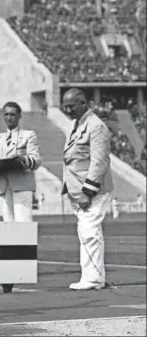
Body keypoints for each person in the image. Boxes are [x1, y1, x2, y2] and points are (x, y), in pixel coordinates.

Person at [0, 101, 42, 293]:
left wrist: (22, 160)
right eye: (6, 114)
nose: (9, 118)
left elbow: (36, 160)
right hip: (2, 185)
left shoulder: (28, 135)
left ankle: (14, 271)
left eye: (12, 114)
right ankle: (9, 274)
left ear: (19, 117)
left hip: (21, 183)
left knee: (23, 225)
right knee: (8, 228)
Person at [62, 88, 113, 291]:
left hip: (93, 190)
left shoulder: (96, 126)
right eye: (65, 105)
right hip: (78, 189)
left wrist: (88, 191)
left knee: (90, 231)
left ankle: (93, 279)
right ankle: (92, 276)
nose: (67, 109)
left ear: (83, 103)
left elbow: (99, 162)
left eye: (71, 106)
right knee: (86, 231)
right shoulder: (76, 125)